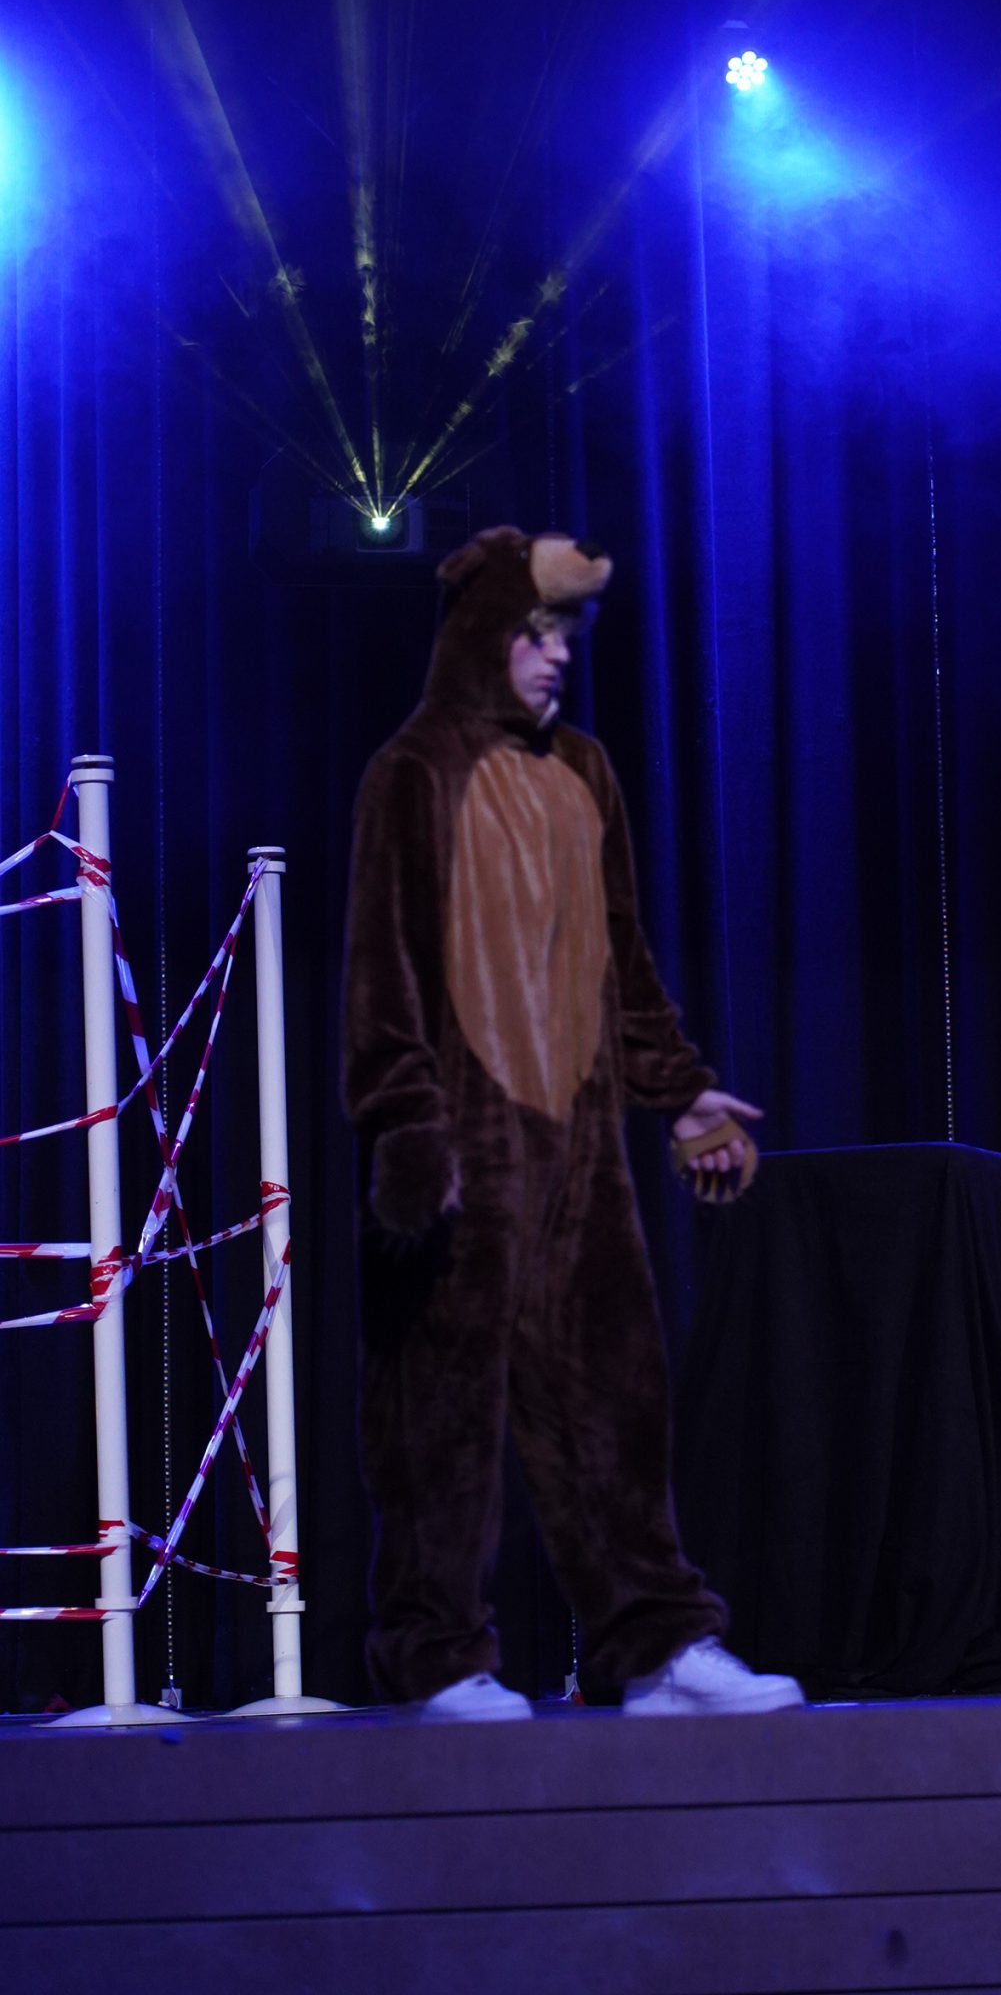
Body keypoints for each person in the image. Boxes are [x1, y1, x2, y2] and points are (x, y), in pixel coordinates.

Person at [343, 525, 803, 1720]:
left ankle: (654, 1647)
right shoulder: (413, 771)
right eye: (534, 633)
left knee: (613, 1397)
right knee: (440, 1412)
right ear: (481, 636)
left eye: (565, 636)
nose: (555, 656)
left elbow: (623, 961)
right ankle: (436, 1654)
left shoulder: (586, 771)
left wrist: (681, 1090)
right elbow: (382, 970)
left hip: (579, 1152)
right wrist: (405, 1125)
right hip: (463, 1150)